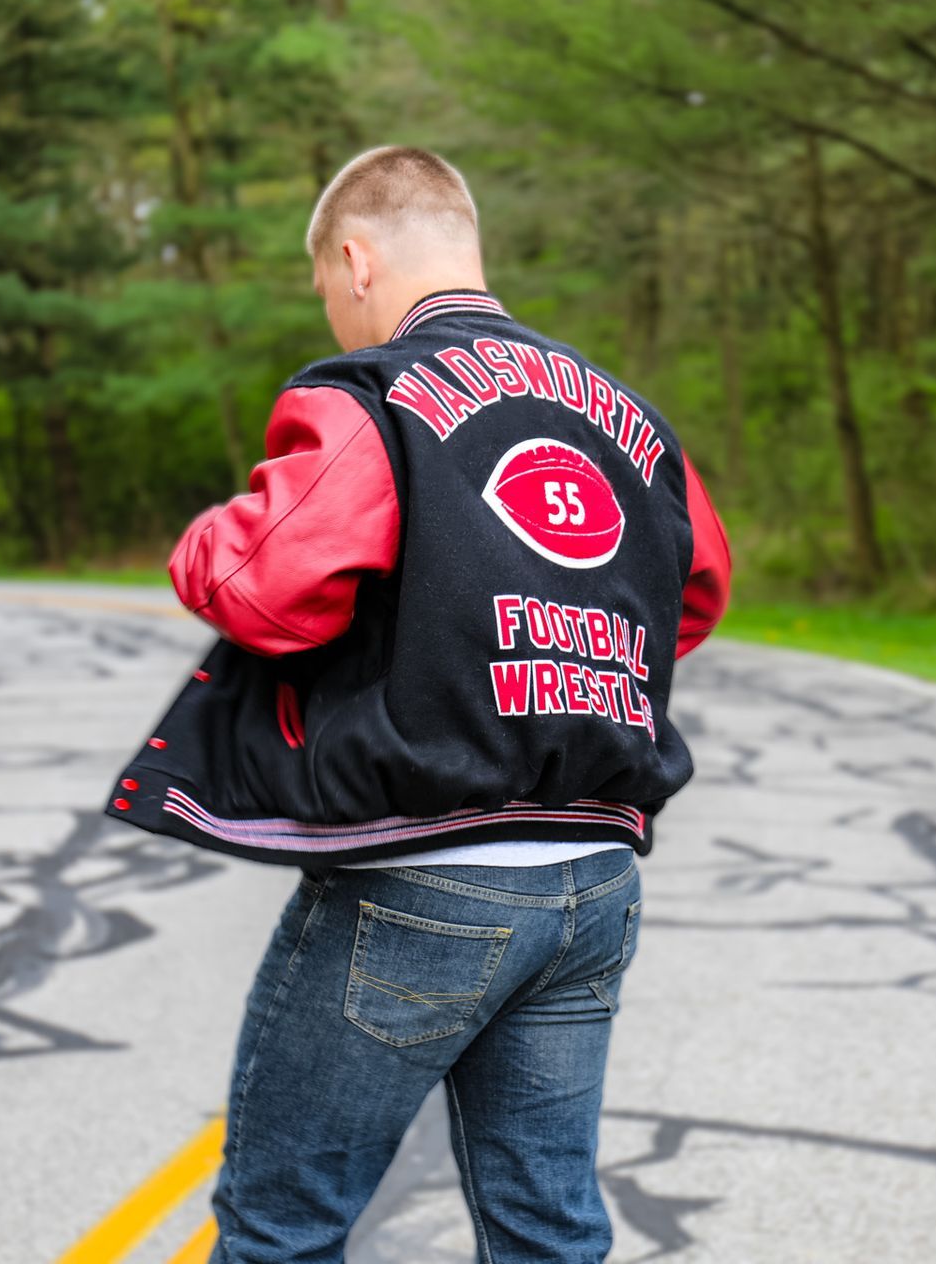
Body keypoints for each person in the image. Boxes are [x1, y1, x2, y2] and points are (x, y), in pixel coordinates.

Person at [105, 145, 731, 1263]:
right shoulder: (629, 416)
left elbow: (270, 585)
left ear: (356, 259)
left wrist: (200, 539)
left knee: (279, 1226)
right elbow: (689, 591)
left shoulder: (374, 394)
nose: (337, 314)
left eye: (326, 289)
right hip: (591, 883)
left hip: (425, 881)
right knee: (547, 1228)